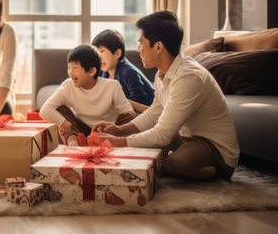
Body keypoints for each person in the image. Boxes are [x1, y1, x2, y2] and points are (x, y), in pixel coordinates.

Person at [93, 11, 240, 181]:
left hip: (215, 149)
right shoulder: (162, 73)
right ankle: (167, 166)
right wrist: (120, 130)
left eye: (141, 43)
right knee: (145, 147)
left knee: (178, 160)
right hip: (187, 137)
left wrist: (118, 142)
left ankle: (209, 171)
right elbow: (155, 112)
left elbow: (162, 134)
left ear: (158, 47)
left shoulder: (188, 77)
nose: (138, 49)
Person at [39, 44, 137, 146]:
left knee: (129, 116)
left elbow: (128, 112)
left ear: (91, 71)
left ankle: (113, 142)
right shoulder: (68, 86)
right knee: (59, 109)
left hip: (108, 131)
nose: (70, 72)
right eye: (69, 67)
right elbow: (45, 110)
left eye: (75, 67)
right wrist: (63, 123)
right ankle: (74, 146)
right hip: (81, 131)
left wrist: (114, 130)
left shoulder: (112, 86)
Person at [92, 29, 155, 114]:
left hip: (148, 112)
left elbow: (142, 105)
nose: (98, 57)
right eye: (96, 53)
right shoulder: (104, 72)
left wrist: (118, 99)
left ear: (117, 53)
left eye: (101, 51)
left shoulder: (129, 72)